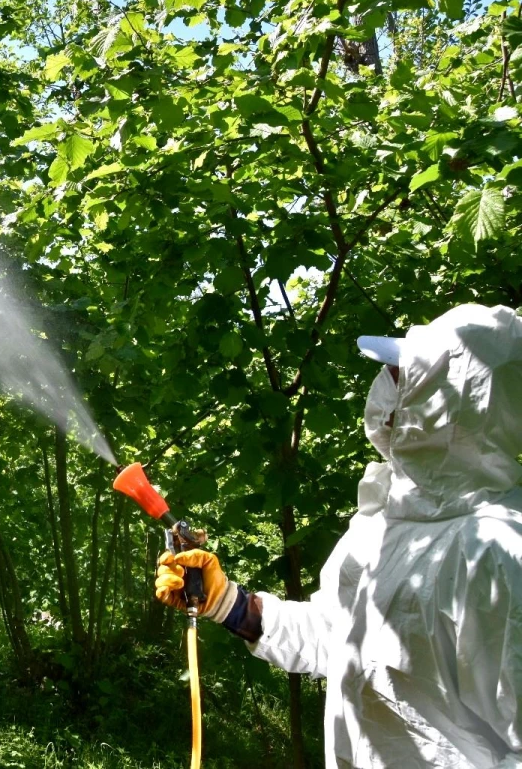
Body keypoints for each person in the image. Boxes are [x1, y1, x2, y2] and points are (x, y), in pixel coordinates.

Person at [155, 303, 522, 768]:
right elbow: (338, 636)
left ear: (451, 401)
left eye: (403, 373)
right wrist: (230, 604)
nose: (386, 385)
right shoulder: (383, 525)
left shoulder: (500, 554)